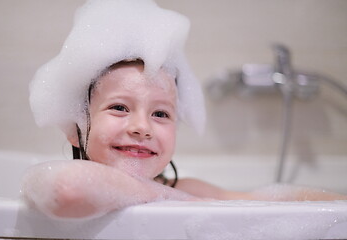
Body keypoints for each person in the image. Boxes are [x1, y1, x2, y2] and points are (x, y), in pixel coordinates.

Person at [22, 0, 346, 219]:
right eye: (120, 107)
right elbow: (66, 189)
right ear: (75, 128)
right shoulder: (173, 195)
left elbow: (271, 201)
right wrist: (172, 200)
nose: (142, 127)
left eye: (160, 114)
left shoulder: (187, 188)